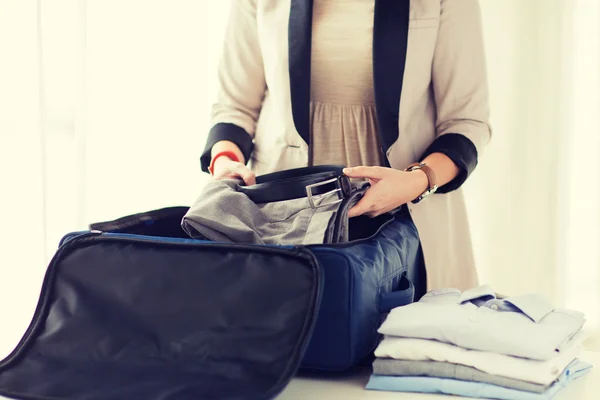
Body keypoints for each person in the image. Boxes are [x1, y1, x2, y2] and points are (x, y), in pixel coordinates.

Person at [199, 0, 491, 294]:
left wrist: (416, 180)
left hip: (409, 223)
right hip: (285, 223)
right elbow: (235, 107)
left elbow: (465, 122)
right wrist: (225, 159)